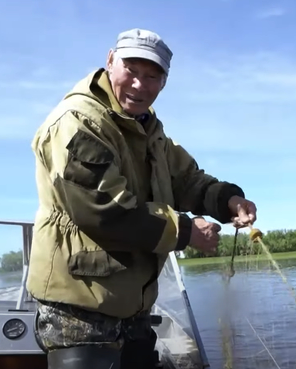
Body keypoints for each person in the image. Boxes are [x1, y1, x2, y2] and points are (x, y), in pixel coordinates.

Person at [27, 28, 258, 369]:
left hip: (133, 309)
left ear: (164, 82)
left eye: (152, 76)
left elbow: (188, 181)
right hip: (80, 309)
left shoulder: (150, 130)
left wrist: (228, 201)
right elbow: (104, 211)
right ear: (109, 62)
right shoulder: (77, 122)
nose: (139, 84)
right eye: (131, 71)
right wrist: (186, 232)